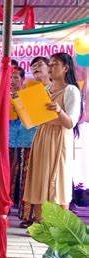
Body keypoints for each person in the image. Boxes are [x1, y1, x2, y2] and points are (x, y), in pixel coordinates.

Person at [23, 52, 83, 223]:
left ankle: (58, 224)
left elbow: (70, 122)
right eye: (49, 63)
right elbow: (34, 118)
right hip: (42, 135)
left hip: (59, 139)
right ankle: (39, 222)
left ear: (66, 68)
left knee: (57, 179)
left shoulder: (71, 90)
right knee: (38, 178)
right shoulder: (45, 90)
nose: (50, 67)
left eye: (55, 64)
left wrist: (58, 110)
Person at [8, 66, 38, 228]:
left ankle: (27, 215)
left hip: (28, 141)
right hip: (7, 142)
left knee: (27, 180)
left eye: (15, 77)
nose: (12, 81)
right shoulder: (1, 96)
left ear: (22, 79)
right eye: (9, 78)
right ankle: (2, 210)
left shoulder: (29, 95)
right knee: (7, 178)